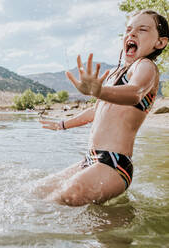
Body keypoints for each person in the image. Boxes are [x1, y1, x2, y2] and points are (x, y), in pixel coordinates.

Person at [35, 10, 168, 206]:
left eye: (142, 29)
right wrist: (63, 124)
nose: (132, 34)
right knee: (38, 191)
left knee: (68, 194)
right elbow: (97, 111)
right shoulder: (115, 73)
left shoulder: (145, 66)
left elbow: (134, 93)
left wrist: (99, 91)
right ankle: (117, 223)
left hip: (114, 164)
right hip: (91, 159)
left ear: (160, 42)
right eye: (129, 29)